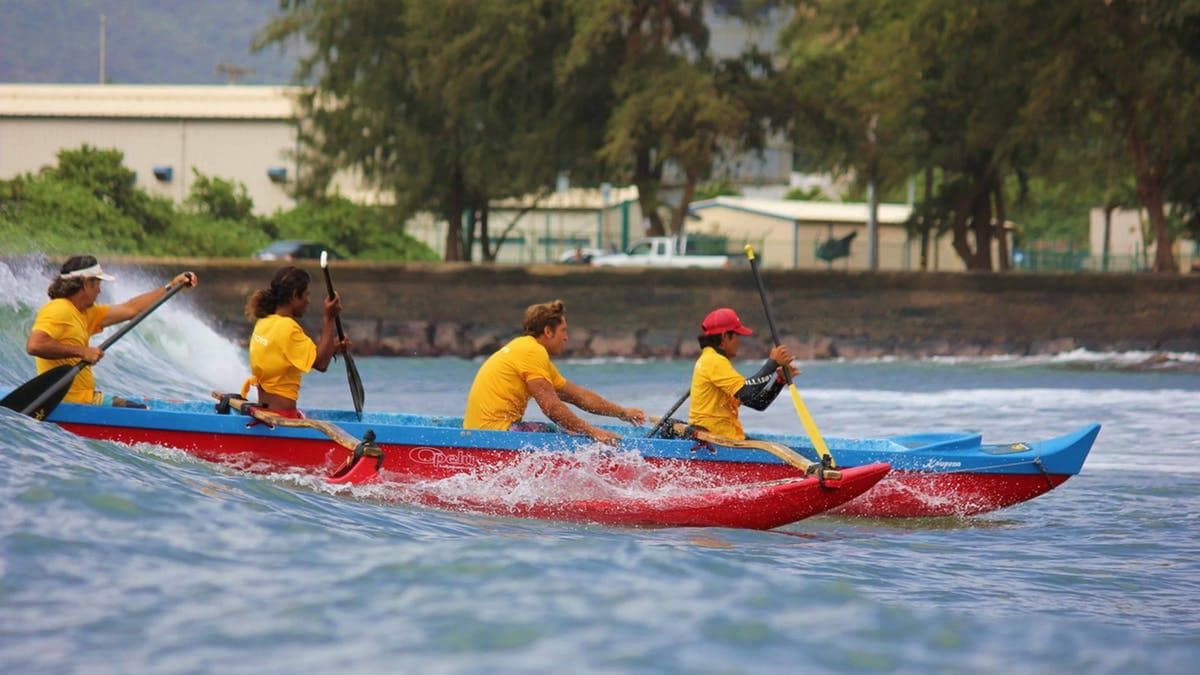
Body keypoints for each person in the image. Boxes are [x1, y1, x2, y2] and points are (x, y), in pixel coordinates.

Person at [463, 299, 646, 444]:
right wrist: (593, 432)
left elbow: (578, 396)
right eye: (563, 331)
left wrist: (622, 413)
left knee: (568, 430)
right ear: (548, 331)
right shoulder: (531, 352)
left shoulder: (528, 350)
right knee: (564, 433)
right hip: (492, 437)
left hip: (486, 432)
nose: (566, 337)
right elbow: (551, 407)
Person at [26, 255, 198, 407]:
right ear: (86, 283)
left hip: (87, 399)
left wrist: (171, 286)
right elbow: (35, 345)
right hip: (69, 403)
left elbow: (131, 309)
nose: (100, 290)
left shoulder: (85, 313)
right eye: (97, 284)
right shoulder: (59, 309)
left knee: (139, 407)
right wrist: (82, 352)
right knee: (139, 411)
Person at [240, 265, 348, 417]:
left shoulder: (264, 322)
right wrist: (329, 318)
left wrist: (333, 347)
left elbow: (300, 355)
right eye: (306, 295)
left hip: (264, 412)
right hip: (282, 416)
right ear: (294, 296)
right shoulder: (289, 328)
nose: (308, 301)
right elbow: (321, 364)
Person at [688, 307, 798, 440]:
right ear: (724, 337)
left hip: (723, 438)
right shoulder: (714, 361)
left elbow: (757, 403)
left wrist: (779, 381)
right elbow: (747, 393)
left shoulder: (714, 360)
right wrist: (772, 363)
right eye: (737, 335)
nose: (739, 341)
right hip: (714, 440)